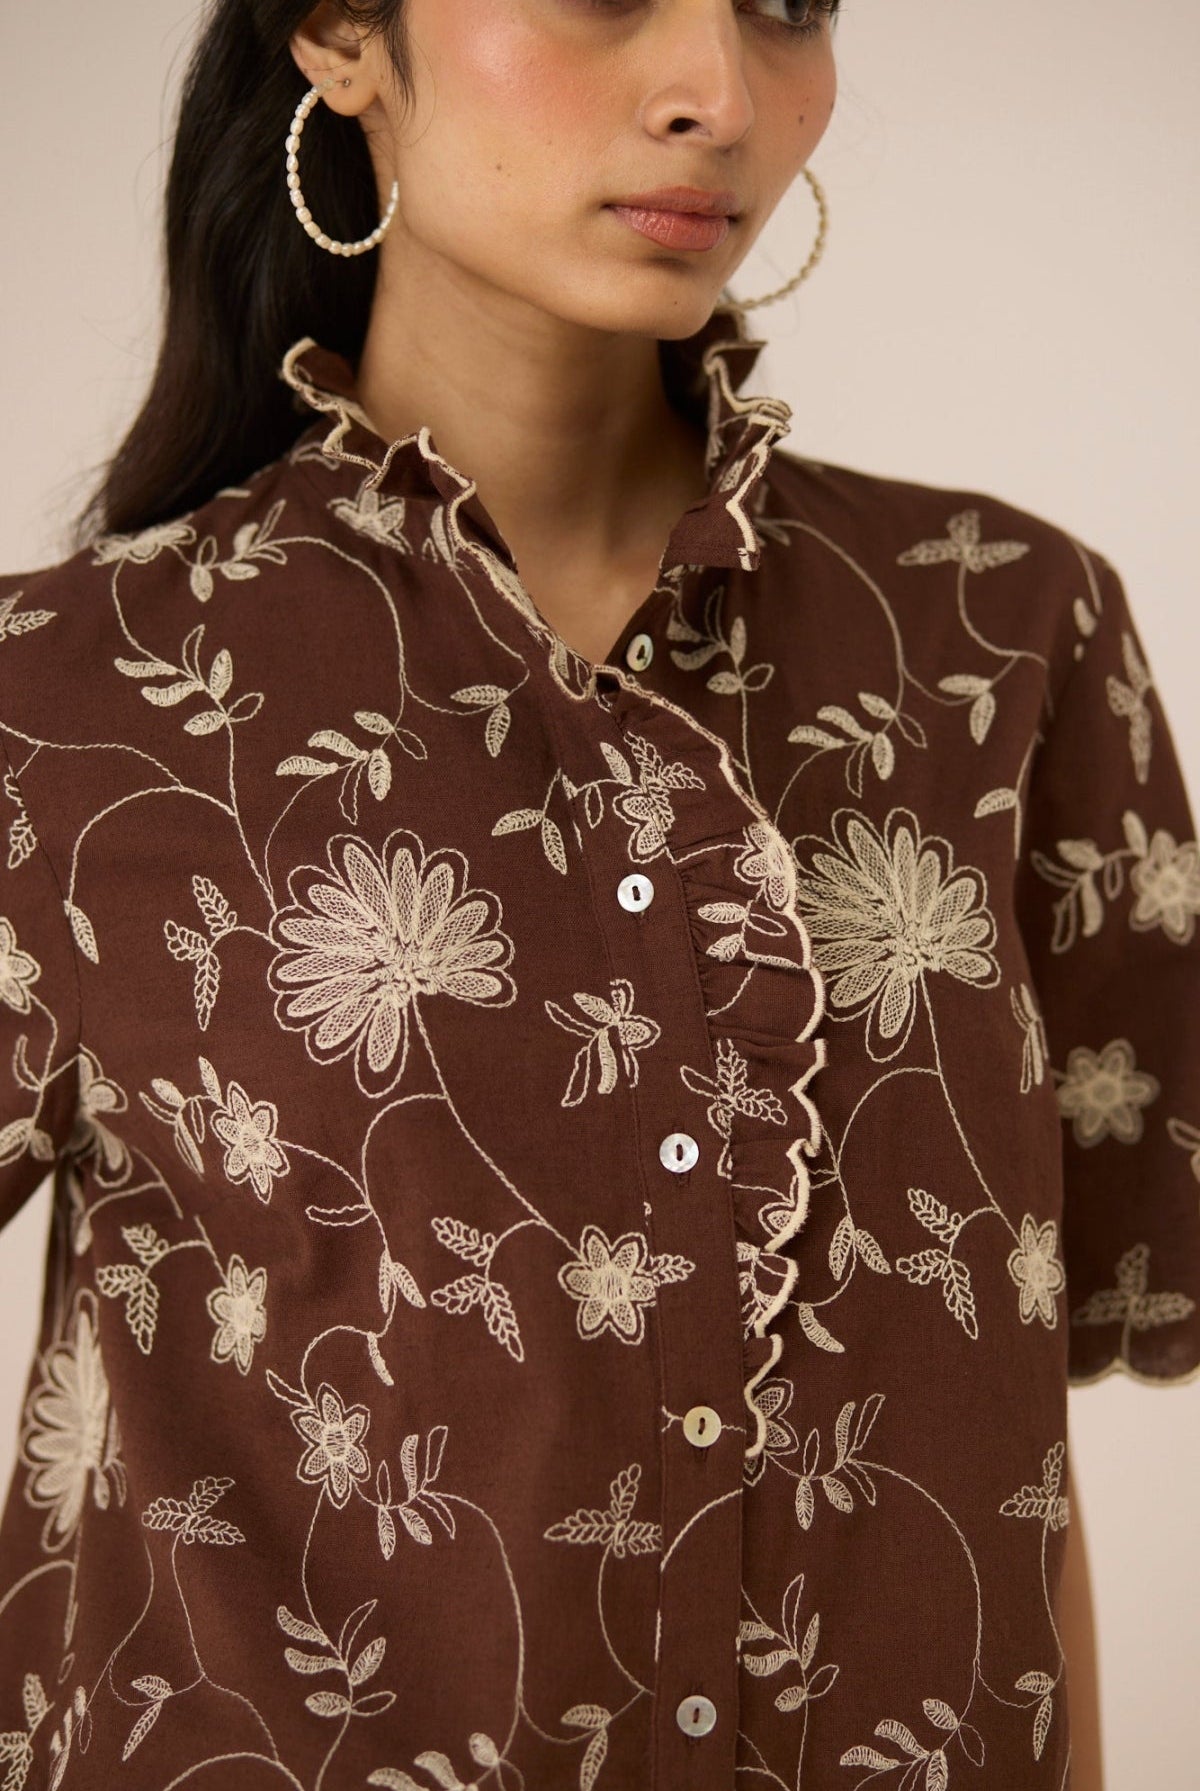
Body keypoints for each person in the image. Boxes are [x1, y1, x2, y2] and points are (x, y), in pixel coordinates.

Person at [0, 2, 1194, 1786]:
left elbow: (1003, 1456)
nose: (716, 91)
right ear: (342, 35)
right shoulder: (65, 704)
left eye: (785, 4)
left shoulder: (1004, 638)